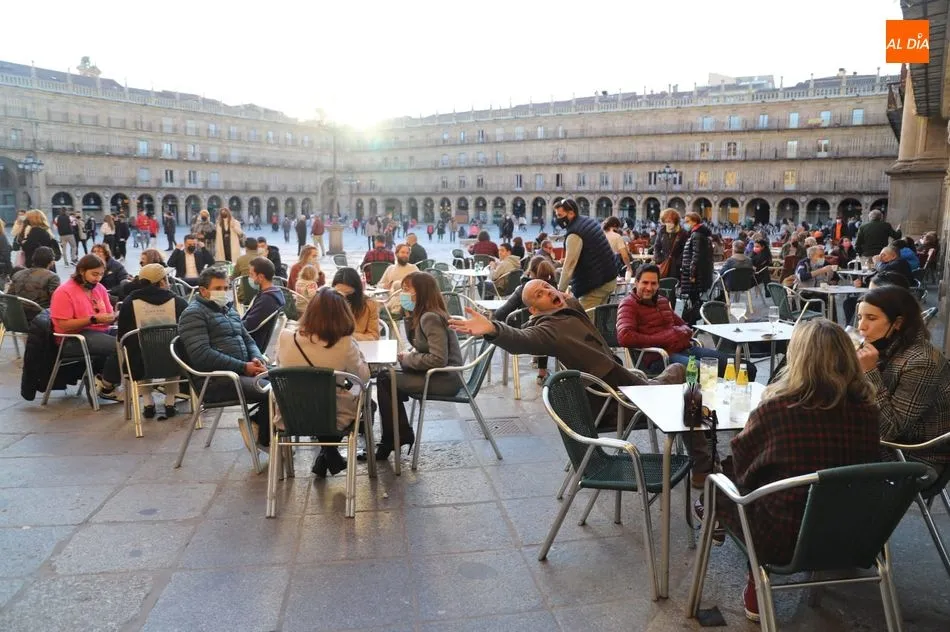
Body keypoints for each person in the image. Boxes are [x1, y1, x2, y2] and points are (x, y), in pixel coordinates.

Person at [708, 319, 881, 621]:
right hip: (853, 532)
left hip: (783, 537)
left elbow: (745, 470)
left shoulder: (775, 411)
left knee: (722, 481)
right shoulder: (867, 411)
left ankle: (752, 579)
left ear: (797, 357)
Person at [448, 279, 684, 399]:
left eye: (548, 287)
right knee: (683, 377)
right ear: (533, 310)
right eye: (539, 295)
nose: (549, 292)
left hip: (623, 382)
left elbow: (567, 298)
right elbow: (520, 339)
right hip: (614, 398)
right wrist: (492, 328)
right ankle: (704, 465)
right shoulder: (548, 330)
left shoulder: (567, 306)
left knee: (686, 382)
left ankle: (703, 460)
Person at [276, 287, 371, 476]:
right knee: (368, 404)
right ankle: (331, 452)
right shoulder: (344, 344)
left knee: (313, 398)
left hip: (291, 415)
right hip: (332, 417)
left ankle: (327, 455)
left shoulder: (286, 337)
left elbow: (279, 367)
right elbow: (364, 378)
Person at [178, 267, 271, 450]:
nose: (224, 292)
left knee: (287, 381)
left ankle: (256, 424)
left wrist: (257, 358)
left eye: (226, 288)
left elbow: (248, 339)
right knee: (272, 391)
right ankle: (265, 440)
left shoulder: (228, 310)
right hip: (216, 380)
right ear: (204, 291)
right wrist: (243, 367)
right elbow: (202, 355)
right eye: (218, 288)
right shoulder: (193, 314)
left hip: (242, 371)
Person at [857, 286, 950, 467]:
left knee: (824, 447)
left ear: (898, 323)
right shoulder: (884, 347)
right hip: (886, 444)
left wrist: (868, 372)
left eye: (871, 318)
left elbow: (890, 431)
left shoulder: (922, 361)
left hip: (914, 457)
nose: (861, 326)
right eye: (860, 317)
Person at [375, 272, 463, 460]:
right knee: (387, 377)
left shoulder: (430, 317)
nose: (403, 293)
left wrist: (407, 359)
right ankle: (397, 435)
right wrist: (408, 316)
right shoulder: (424, 314)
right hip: (439, 375)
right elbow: (419, 344)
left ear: (421, 292)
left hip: (445, 378)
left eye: (407, 289)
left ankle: (394, 438)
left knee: (385, 378)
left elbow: (438, 359)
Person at [116, 264, 189, 420]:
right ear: (162, 282)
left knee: (135, 348)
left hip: (140, 364)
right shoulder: (179, 302)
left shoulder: (129, 303)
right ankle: (170, 402)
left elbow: (122, 337)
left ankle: (148, 404)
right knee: (176, 348)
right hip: (174, 363)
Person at [49, 254, 122, 400]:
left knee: (132, 339)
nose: (98, 278)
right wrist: (93, 319)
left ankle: (104, 381)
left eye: (101, 274)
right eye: (94, 274)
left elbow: (107, 314)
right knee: (120, 347)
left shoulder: (99, 288)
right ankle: (105, 385)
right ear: (82, 271)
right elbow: (64, 325)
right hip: (72, 338)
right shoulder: (64, 292)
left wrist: (114, 316)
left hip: (100, 331)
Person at [493, 256, 557, 383]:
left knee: (533, 324)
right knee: (544, 324)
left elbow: (502, 313)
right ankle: (542, 373)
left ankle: (535, 360)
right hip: (550, 336)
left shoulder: (524, 289)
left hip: (524, 336)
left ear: (531, 271)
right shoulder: (554, 290)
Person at [554, 198, 618, 309]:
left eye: (560, 215)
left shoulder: (574, 233)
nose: (558, 219)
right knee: (600, 318)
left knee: (584, 321)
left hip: (595, 285)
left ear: (571, 213)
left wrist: (559, 292)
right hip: (609, 278)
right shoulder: (587, 221)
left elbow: (570, 265)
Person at [241, 257, 286, 349]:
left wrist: (230, 325)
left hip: (251, 343)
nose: (249, 277)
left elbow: (248, 326)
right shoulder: (274, 292)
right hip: (254, 339)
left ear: (261, 277)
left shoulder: (267, 299)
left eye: (251, 274)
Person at [6, 246, 59, 319]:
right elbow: (57, 300)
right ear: (51, 262)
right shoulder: (52, 277)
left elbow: (9, 297)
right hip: (41, 318)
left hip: (18, 317)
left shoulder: (18, 274)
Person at [680, 212, 714, 324]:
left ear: (694, 221)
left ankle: (694, 322)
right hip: (700, 273)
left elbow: (696, 255)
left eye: (687, 221)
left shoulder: (696, 235)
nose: (685, 224)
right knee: (696, 299)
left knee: (694, 299)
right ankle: (701, 321)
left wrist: (692, 274)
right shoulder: (700, 234)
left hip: (696, 274)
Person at [332, 267, 381, 341]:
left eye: (348, 293)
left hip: (360, 348)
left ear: (357, 291)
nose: (343, 298)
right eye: (339, 294)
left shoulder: (369, 305)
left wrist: (348, 336)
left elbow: (374, 336)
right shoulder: (327, 303)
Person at [377, 244, 419, 312]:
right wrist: (384, 286)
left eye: (407, 253)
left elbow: (421, 286)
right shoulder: (390, 268)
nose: (405, 255)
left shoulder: (413, 268)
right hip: (389, 297)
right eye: (402, 252)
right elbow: (379, 284)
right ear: (396, 254)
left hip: (406, 301)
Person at [653, 209, 688, 280]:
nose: (667, 224)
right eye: (665, 221)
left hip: (677, 266)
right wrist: (659, 259)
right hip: (664, 262)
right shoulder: (662, 231)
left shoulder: (682, 233)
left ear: (675, 221)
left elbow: (685, 249)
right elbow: (657, 246)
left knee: (674, 284)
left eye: (669, 221)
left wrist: (679, 262)